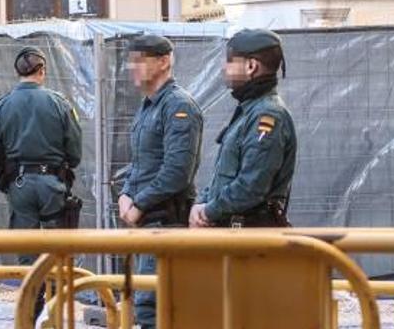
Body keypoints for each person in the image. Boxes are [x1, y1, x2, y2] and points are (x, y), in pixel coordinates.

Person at [0, 46, 82, 324]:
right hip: (53, 184)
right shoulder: (60, 104)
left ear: (17, 73)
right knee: (56, 252)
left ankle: (30, 310)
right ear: (42, 71)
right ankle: (54, 312)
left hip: (20, 185)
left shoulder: (0, 106)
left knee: (27, 253)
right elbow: (74, 153)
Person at [118, 34, 203, 329]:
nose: (132, 68)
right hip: (148, 222)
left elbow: (177, 171)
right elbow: (141, 162)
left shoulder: (178, 106)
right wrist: (126, 193)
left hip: (166, 221)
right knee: (146, 305)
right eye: (131, 61)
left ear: (164, 61)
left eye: (140, 61)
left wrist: (139, 203)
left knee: (154, 307)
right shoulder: (149, 106)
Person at [190, 28, 297, 229]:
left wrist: (207, 210)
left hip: (250, 240)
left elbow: (251, 187)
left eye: (230, 61)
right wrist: (203, 203)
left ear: (250, 66)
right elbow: (224, 177)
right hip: (235, 235)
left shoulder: (267, 116)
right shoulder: (249, 112)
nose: (224, 68)